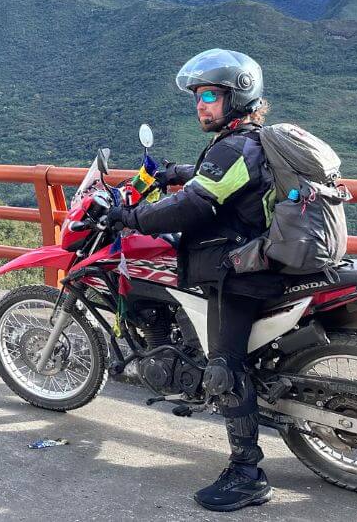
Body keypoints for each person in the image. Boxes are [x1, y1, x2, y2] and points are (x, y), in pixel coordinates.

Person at [105, 48, 282, 512]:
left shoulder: (234, 146)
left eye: (209, 95)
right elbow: (214, 182)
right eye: (198, 97)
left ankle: (247, 473)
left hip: (240, 273)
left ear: (237, 97)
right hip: (247, 261)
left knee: (225, 368)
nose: (200, 104)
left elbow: (195, 205)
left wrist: (132, 216)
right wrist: (175, 172)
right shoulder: (244, 141)